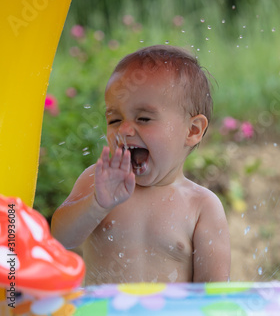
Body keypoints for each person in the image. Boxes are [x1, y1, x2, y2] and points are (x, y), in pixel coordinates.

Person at [51, 45, 231, 285]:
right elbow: (59, 240)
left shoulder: (202, 206)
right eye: (114, 119)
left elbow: (215, 293)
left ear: (192, 130)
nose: (124, 130)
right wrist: (96, 205)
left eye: (143, 118)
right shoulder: (97, 182)